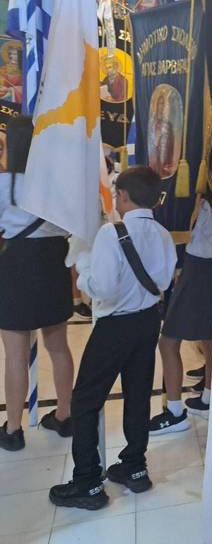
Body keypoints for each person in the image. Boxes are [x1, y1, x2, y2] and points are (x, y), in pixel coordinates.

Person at [50, 166, 177, 510]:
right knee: (138, 394)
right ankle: (135, 467)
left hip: (114, 326)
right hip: (147, 322)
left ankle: (88, 482)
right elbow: (164, 283)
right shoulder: (164, 235)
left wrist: (83, 272)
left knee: (85, 401)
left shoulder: (111, 233)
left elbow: (102, 289)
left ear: (122, 196)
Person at [0, 117, 74, 451]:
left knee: (15, 354)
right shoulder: (62, 182)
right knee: (58, 347)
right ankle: (65, 415)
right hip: (53, 263)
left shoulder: (4, 183)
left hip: (15, 267)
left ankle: (13, 429)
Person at [149, 194, 212, 434]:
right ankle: (209, 398)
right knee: (210, 339)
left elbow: (191, 236)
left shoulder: (206, 197)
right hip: (207, 265)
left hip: (200, 266)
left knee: (168, 341)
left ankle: (175, 412)